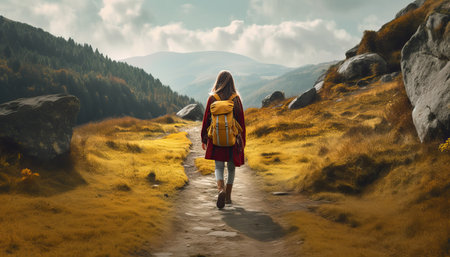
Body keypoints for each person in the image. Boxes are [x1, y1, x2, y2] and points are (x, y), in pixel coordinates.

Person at [201, 70, 246, 209]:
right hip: (232, 140)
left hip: (216, 140)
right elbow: (241, 123)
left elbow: (206, 121)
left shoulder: (212, 99)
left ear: (218, 81)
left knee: (218, 167)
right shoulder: (236, 99)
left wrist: (204, 138)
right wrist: (242, 141)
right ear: (232, 83)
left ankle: (220, 190)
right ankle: (228, 197)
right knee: (231, 169)